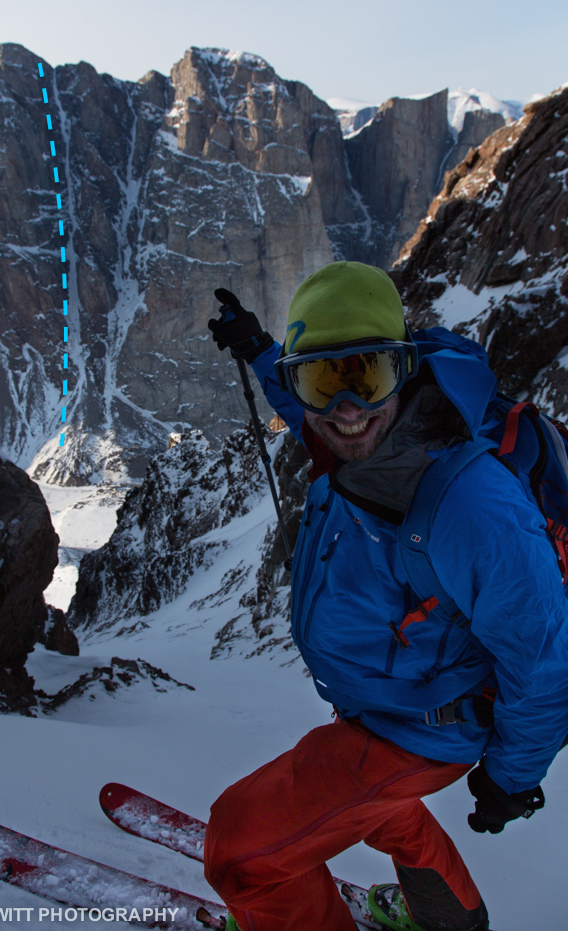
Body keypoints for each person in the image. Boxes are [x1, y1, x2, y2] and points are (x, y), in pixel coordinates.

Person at [202, 261, 568, 931]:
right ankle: (450, 917)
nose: (345, 412)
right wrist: (258, 350)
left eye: (366, 378)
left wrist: (510, 781)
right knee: (378, 809)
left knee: (241, 850)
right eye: (320, 381)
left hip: (423, 728)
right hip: (385, 701)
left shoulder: (474, 507)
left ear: (404, 370)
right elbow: (308, 410)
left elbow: (543, 661)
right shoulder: (366, 428)